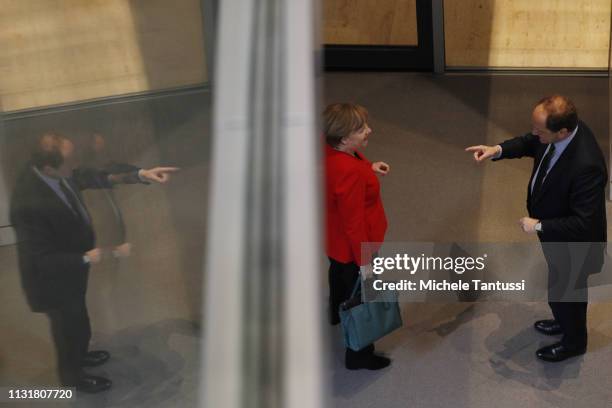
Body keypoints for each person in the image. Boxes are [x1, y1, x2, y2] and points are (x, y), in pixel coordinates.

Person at [10, 132, 179, 392]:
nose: (75, 166)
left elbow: (91, 175)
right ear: (48, 168)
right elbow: (38, 258)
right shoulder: (27, 202)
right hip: (52, 280)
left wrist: (140, 174)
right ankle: (72, 377)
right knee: (67, 330)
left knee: (79, 321)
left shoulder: (55, 172)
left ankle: (80, 356)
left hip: (72, 271)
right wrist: (86, 257)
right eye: (69, 162)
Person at [466, 95, 607, 362]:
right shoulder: (559, 134)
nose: (533, 133)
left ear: (562, 131)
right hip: (556, 236)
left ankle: (574, 342)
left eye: (540, 130)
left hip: (575, 244)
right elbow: (531, 141)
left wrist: (539, 225)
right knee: (559, 288)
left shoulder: (587, 165)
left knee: (568, 293)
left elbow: (584, 222)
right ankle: (563, 323)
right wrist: (497, 149)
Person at [324, 103, 392, 370]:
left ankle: (334, 313)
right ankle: (359, 355)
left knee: (338, 273)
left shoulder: (329, 149)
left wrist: (369, 168)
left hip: (334, 239)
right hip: (355, 244)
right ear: (343, 138)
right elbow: (354, 223)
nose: (369, 131)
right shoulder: (349, 172)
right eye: (361, 129)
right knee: (362, 298)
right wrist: (365, 262)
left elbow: (342, 172)